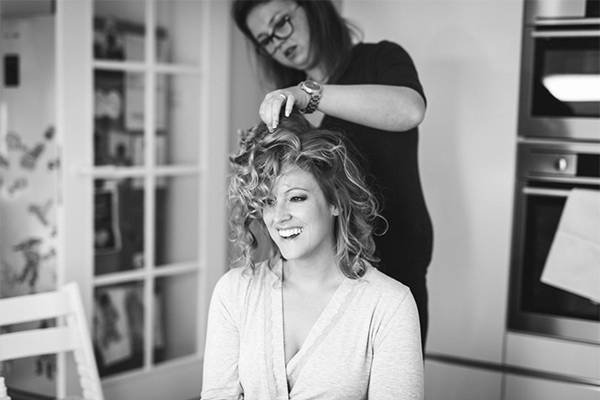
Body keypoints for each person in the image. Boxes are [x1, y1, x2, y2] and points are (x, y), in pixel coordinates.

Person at [231, 0, 434, 348]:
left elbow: (410, 110)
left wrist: (309, 95)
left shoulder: (379, 59)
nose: (278, 42)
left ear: (312, 8)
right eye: (266, 40)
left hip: (395, 261)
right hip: (319, 280)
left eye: (282, 23)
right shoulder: (287, 111)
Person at [201, 111, 423, 399]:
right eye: (268, 202)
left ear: (335, 202)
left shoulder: (389, 306)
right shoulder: (234, 292)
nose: (279, 217)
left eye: (296, 198)